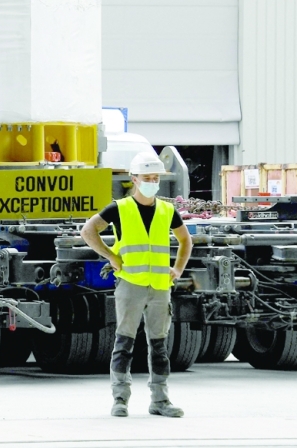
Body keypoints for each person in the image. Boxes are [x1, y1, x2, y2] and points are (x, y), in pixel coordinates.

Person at [80, 151, 192, 418]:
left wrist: (177, 269)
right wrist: (111, 256)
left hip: (159, 287)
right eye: (147, 177)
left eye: (156, 178)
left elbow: (185, 240)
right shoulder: (119, 208)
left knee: (159, 345)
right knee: (124, 343)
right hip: (130, 283)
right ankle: (120, 399)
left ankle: (160, 400)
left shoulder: (167, 210)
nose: (153, 181)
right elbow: (88, 231)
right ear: (134, 179)